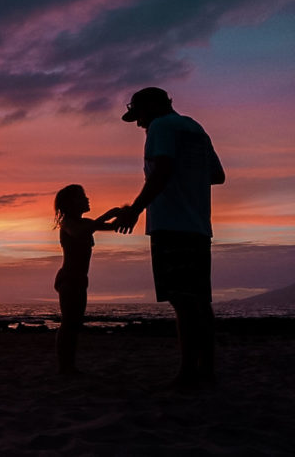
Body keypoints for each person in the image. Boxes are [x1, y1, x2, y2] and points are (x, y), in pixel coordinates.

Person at [115, 87, 225, 388]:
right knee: (200, 302)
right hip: (199, 226)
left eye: (140, 116)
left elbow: (162, 170)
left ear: (152, 107)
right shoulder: (195, 128)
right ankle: (207, 371)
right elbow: (217, 175)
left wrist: (135, 209)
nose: (140, 124)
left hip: (171, 225)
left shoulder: (161, 126)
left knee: (183, 302)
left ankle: (189, 373)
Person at [53, 185, 120, 376]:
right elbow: (81, 232)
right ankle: (64, 367)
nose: (87, 199)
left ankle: (69, 366)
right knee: (69, 323)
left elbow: (110, 227)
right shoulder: (67, 223)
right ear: (71, 203)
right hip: (69, 279)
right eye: (82, 197)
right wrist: (106, 216)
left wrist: (126, 213)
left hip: (80, 280)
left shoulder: (86, 222)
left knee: (74, 324)